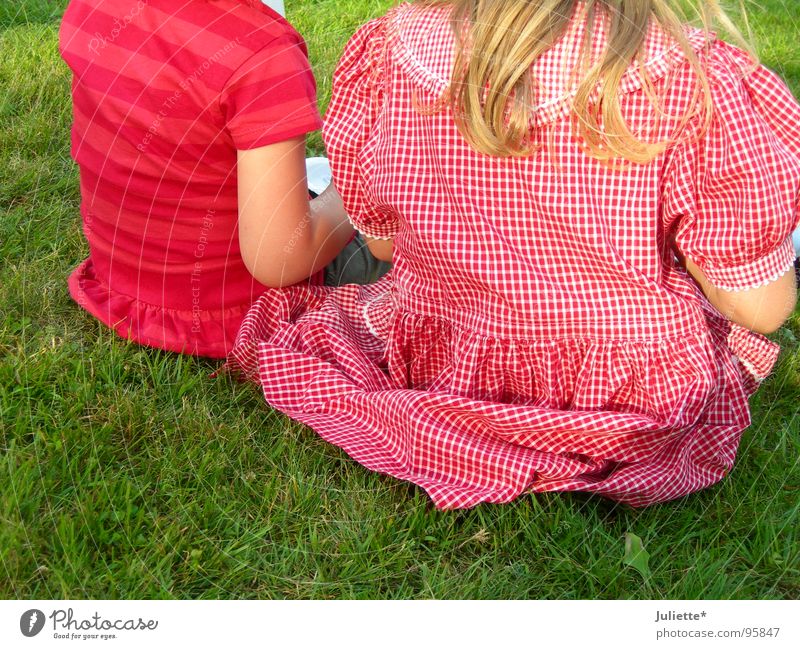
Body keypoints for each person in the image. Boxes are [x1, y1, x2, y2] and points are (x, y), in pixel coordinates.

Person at [226, 0, 799, 509]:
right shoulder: (688, 78)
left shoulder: (393, 51)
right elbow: (760, 309)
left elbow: (380, 243)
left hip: (444, 367)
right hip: (626, 399)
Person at [59, 0, 356, 358]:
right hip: (233, 312)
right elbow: (281, 259)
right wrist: (357, 189)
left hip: (122, 283)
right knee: (409, 221)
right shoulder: (262, 54)